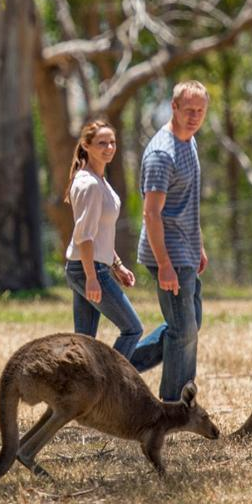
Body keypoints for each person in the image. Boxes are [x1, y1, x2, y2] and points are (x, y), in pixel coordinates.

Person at [129, 80, 209, 402]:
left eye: (200, 111)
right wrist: (164, 265)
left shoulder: (189, 141)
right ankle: (175, 406)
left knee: (189, 325)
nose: (194, 116)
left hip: (186, 250)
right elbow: (152, 215)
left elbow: (187, 202)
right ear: (173, 107)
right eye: (188, 110)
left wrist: (198, 244)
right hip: (167, 253)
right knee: (183, 330)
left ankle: (116, 368)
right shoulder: (161, 154)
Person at [63, 120, 144, 358]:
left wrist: (116, 265)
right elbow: (84, 237)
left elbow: (100, 234)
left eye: (112, 142)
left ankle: (81, 392)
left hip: (90, 266)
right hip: (88, 269)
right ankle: (110, 383)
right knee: (132, 329)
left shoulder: (98, 180)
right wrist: (91, 277)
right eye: (102, 143)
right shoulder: (89, 184)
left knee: (85, 344)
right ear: (86, 146)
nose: (109, 147)